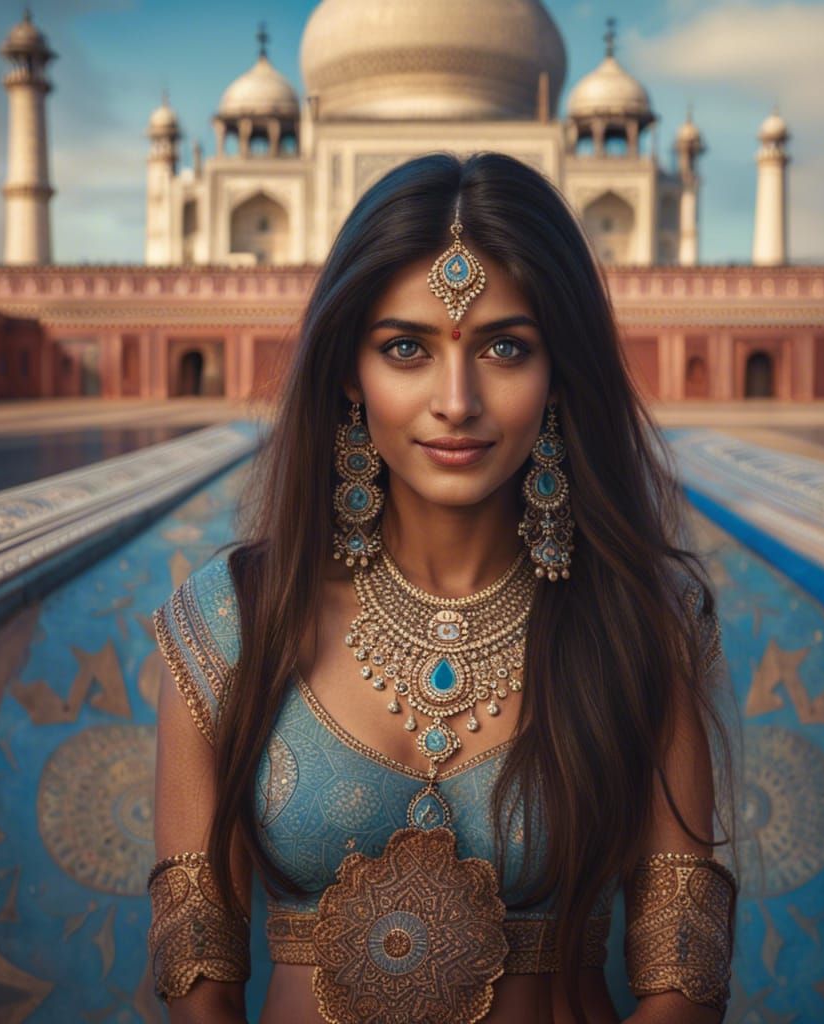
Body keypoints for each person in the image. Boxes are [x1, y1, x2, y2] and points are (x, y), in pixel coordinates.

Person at [148, 152, 736, 1024]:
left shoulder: (638, 623)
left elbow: (686, 968)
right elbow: (195, 950)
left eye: (504, 347)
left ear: (558, 370)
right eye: (406, 348)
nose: (455, 401)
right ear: (351, 370)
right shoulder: (235, 618)